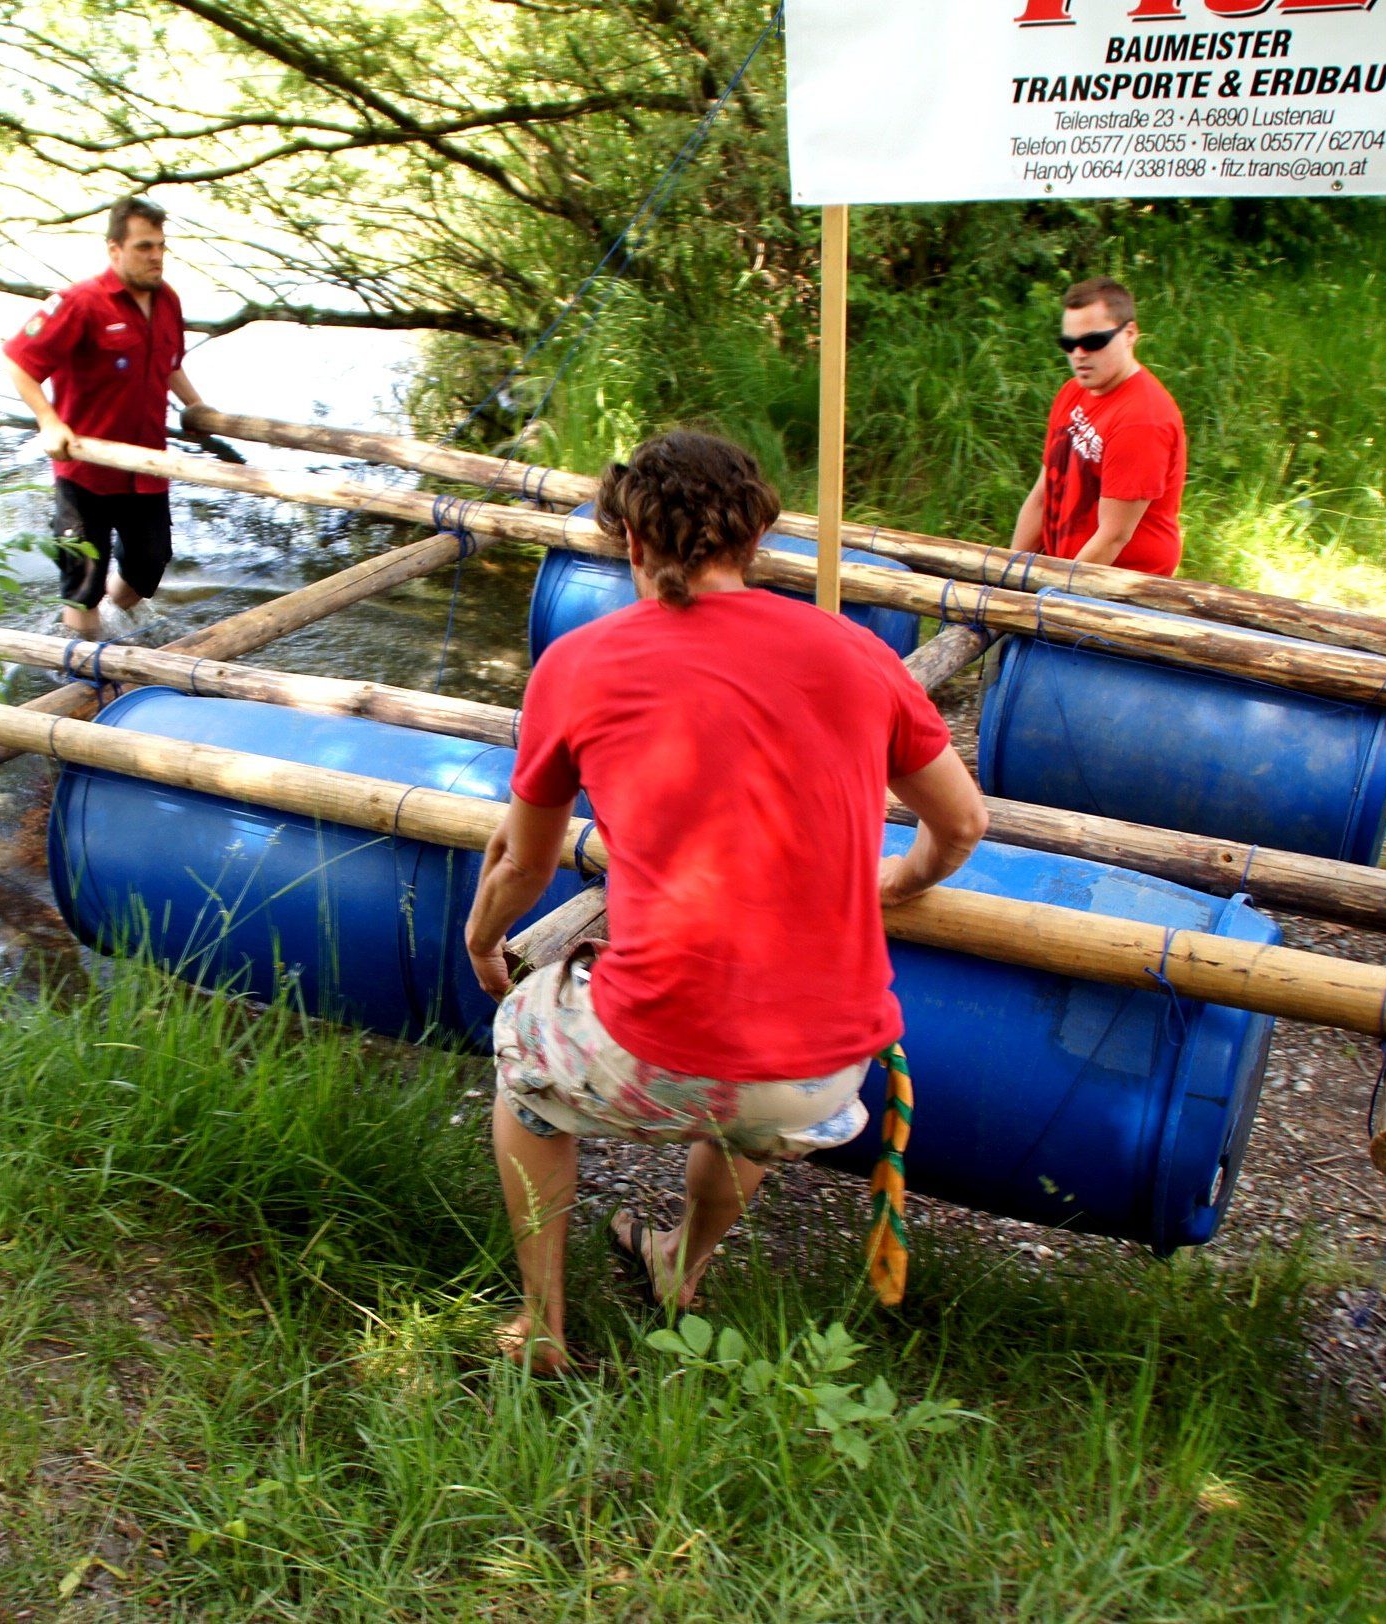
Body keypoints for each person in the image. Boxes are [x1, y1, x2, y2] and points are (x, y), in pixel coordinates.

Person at [463, 431, 990, 1375]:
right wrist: (897, 882)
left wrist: (483, 938)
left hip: (661, 1043)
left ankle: (541, 1326)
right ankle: (683, 1264)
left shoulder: (579, 664)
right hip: (821, 1075)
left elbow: (522, 863)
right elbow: (961, 825)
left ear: (632, 542)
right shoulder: (861, 654)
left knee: (524, 1068)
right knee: (752, 1099)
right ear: (755, 538)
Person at [4, 196, 208, 640]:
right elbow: (20, 361)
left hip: (146, 468)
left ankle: (112, 622)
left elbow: (170, 363)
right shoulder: (80, 303)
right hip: (86, 473)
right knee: (83, 586)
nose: (156, 256)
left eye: (161, 246)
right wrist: (48, 421)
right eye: (143, 247)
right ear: (114, 249)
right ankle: (85, 664)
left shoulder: (167, 300)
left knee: (148, 567)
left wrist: (196, 406)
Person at [1008, 276, 1186, 576]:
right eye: (1069, 344)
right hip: (1067, 569)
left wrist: (1053, 593)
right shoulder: (1073, 392)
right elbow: (1042, 495)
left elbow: (1112, 537)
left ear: (1129, 334)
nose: (1079, 354)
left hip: (1121, 583)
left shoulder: (1142, 420)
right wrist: (1008, 574)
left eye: (1093, 342)